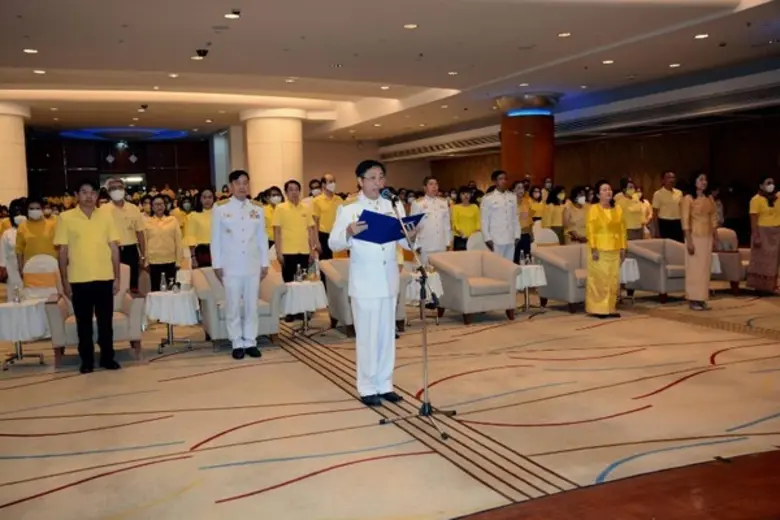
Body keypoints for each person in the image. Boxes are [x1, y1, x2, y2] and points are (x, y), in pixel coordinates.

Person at [329, 160, 416, 406]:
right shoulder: (349, 209)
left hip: (389, 281)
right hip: (365, 284)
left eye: (381, 177)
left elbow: (406, 244)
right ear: (360, 181)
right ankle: (367, 387)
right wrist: (348, 232)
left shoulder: (393, 207)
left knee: (387, 335)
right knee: (367, 337)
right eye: (373, 177)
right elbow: (334, 244)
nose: (379, 182)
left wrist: (411, 236)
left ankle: (385, 383)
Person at [54, 179, 121, 373]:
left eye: (93, 192)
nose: (89, 196)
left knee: (105, 322)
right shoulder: (65, 218)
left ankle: (108, 357)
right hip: (78, 279)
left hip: (104, 277)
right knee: (83, 323)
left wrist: (117, 277)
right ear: (77, 195)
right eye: (84, 192)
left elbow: (114, 248)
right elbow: (63, 252)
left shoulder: (107, 217)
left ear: (98, 196)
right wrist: (65, 280)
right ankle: (87, 360)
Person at [211, 170, 270, 359]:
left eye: (245, 183)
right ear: (231, 186)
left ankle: (251, 341)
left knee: (251, 305)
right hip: (231, 265)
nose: (242, 186)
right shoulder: (220, 208)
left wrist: (265, 263)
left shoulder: (257, 208)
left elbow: (262, 237)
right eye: (238, 183)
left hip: (252, 264)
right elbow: (215, 239)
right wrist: (217, 264)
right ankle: (236, 342)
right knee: (233, 305)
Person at [585, 180, 626, 319]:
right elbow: (591, 230)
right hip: (600, 248)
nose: (608, 192)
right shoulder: (594, 209)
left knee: (613, 279)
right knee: (600, 279)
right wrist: (593, 248)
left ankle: (610, 307)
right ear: (598, 194)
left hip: (614, 247)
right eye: (604, 190)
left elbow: (622, 230)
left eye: (609, 189)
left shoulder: (618, 209)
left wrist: (623, 247)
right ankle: (598, 308)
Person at [99, 178, 146, 292]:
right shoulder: (103, 209)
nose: (117, 190)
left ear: (124, 190)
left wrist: (143, 255)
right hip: (111, 250)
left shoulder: (133, 208)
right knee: (113, 282)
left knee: (132, 283)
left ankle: (131, 307)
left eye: (119, 188)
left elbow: (140, 233)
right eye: (113, 188)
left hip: (131, 249)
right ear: (109, 192)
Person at [681, 173, 719, 310]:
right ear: (694, 182)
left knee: (704, 269)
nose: (704, 182)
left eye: (705, 179)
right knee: (694, 269)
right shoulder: (688, 198)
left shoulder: (709, 198)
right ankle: (693, 299)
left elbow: (714, 217)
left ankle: (702, 298)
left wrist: (715, 236)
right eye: (701, 179)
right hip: (694, 236)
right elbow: (685, 221)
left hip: (707, 237)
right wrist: (689, 240)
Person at [273, 180, 318, 284]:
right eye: (291, 190)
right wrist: (278, 252)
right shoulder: (280, 208)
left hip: (304, 252)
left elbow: (310, 230)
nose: (294, 192)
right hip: (287, 252)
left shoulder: (306, 208)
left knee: (304, 282)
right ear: (286, 192)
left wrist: (312, 250)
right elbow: (277, 232)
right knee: (289, 283)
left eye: (296, 189)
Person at [746, 176, 780, 294]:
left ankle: (772, 286)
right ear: (761, 186)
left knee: (773, 261)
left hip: (776, 232)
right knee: (761, 259)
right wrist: (756, 235)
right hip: (762, 231)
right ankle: (760, 286)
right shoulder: (756, 199)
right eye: (768, 183)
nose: (771, 185)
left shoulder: (777, 198)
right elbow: (753, 219)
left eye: (773, 182)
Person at [410, 176, 452, 264]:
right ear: (425, 187)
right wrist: (417, 245)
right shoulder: (418, 203)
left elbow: (447, 225)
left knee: (441, 272)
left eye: (436, 184)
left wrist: (448, 242)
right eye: (431, 184)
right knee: (427, 273)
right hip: (425, 245)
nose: (434, 187)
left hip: (441, 243)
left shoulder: (443, 202)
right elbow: (413, 226)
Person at [145, 195, 182, 292]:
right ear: (152, 207)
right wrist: (145, 261)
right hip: (154, 261)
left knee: (171, 289)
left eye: (161, 204)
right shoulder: (146, 222)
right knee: (156, 289)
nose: (159, 207)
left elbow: (178, 241)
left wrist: (178, 261)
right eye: (156, 204)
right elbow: (144, 242)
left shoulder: (173, 220)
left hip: (170, 261)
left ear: (165, 206)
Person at [480, 170, 520, 261]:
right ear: (494, 181)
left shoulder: (512, 196)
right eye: (500, 179)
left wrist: (517, 235)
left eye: (505, 179)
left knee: (509, 264)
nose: (504, 181)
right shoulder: (488, 198)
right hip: (496, 238)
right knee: (497, 265)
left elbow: (515, 218)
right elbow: (484, 220)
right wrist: (487, 238)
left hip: (510, 236)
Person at [15, 197, 57, 271]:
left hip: (51, 267)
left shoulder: (53, 225)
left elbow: (59, 247)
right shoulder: (22, 226)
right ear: (27, 210)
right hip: (30, 267)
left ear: (42, 209)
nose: (35, 211)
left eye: (37, 208)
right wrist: (20, 267)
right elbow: (19, 249)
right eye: (31, 208)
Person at [311, 173, 343, 264]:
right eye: (330, 181)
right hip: (323, 236)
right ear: (323, 184)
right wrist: (316, 241)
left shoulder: (339, 199)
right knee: (325, 264)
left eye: (334, 181)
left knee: (338, 264)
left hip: (337, 235)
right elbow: (315, 223)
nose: (333, 184)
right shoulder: (317, 200)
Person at [0, 201, 25, 298]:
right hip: (12, 268)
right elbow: (3, 252)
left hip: (27, 267)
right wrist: (3, 268)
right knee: (14, 294)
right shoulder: (7, 233)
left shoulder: (28, 231)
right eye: (16, 214)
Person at [186, 188, 215, 268]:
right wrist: (193, 257)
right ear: (200, 199)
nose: (207, 200)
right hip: (202, 252)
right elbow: (190, 237)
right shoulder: (193, 215)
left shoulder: (218, 214)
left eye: (210, 197)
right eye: (204, 197)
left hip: (218, 251)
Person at [652, 170, 683, 242]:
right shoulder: (658, 194)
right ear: (663, 180)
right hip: (664, 223)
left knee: (678, 246)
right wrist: (657, 230)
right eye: (668, 178)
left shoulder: (679, 193)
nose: (671, 180)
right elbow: (655, 214)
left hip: (677, 223)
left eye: (673, 177)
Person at [451, 186, 480, 251]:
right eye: (463, 194)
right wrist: (461, 233)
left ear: (471, 195)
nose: (466, 195)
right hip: (460, 238)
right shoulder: (456, 207)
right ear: (459, 196)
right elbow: (455, 222)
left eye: (468, 193)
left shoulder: (475, 207)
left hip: (474, 238)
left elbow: (478, 221)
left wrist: (476, 232)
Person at [513, 181, 533, 261]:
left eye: (522, 188)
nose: (521, 190)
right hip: (514, 236)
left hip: (525, 235)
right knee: (515, 259)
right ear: (513, 190)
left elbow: (529, 219)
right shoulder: (510, 203)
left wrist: (531, 233)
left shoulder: (527, 202)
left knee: (526, 258)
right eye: (518, 188)